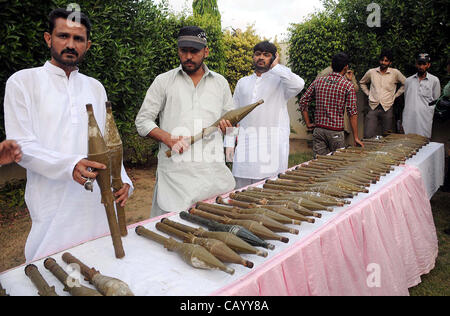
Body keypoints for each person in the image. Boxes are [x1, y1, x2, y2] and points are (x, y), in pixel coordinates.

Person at [3, 8, 133, 262]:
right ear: (48, 38)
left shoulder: (95, 87)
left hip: (98, 205)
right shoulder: (22, 82)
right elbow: (21, 146)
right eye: (63, 36)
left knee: (102, 268)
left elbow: (109, 143)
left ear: (88, 45)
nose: (70, 45)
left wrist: (123, 180)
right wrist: (69, 164)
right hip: (52, 207)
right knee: (51, 271)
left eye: (79, 39)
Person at [135, 26, 235, 218]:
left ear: (206, 51)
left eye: (194, 51)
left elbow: (229, 122)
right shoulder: (163, 81)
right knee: (172, 233)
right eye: (184, 50)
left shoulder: (220, 82)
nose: (188, 56)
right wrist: (167, 138)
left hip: (212, 172)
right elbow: (142, 121)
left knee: (211, 233)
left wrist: (228, 128)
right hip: (175, 176)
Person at [224, 41, 305, 189]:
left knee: (270, 195)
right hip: (245, 150)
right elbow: (233, 116)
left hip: (272, 150)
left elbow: (299, 84)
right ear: (253, 57)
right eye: (258, 54)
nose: (261, 57)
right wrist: (229, 144)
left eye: (266, 55)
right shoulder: (243, 82)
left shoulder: (281, 81)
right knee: (242, 196)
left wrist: (275, 66)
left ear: (274, 58)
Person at [299, 53, 363, 156]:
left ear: (331, 65)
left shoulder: (318, 81)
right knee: (337, 165)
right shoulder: (347, 85)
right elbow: (352, 112)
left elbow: (303, 101)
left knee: (318, 163)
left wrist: (308, 122)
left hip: (319, 130)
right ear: (346, 67)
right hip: (336, 132)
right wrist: (356, 137)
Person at [360, 49, 406, 138]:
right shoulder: (371, 72)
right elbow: (362, 82)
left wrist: (395, 96)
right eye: (382, 60)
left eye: (386, 61)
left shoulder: (395, 73)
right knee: (368, 134)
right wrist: (369, 94)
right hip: (373, 106)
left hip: (387, 107)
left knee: (387, 136)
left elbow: (406, 83)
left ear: (390, 62)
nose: (383, 63)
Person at [317, 65, 360, 146]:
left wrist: (350, 80)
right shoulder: (325, 72)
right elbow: (318, 85)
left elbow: (356, 89)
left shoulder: (348, 72)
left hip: (342, 112)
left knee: (342, 136)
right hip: (327, 113)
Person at [402, 53, 441, 138]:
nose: (421, 67)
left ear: (428, 65)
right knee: (408, 142)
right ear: (416, 64)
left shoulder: (434, 80)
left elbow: (436, 101)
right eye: (419, 64)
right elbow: (407, 99)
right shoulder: (408, 81)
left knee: (424, 143)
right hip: (409, 119)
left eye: (424, 64)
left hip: (425, 119)